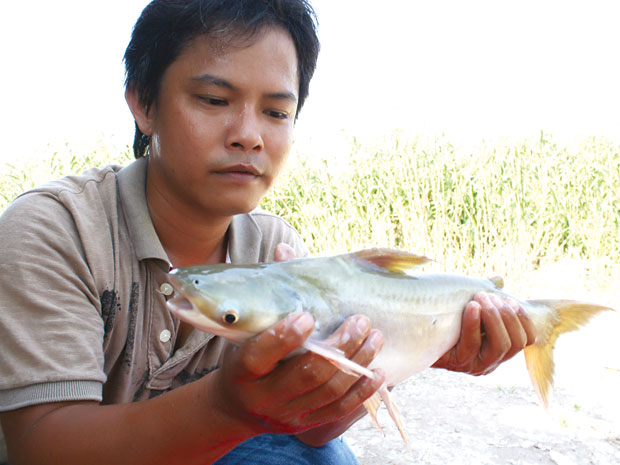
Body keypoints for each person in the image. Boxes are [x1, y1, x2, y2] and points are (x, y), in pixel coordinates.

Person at [0, 1, 536, 464]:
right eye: (214, 100)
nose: (249, 136)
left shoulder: (271, 246)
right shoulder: (55, 229)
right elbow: (42, 449)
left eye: (277, 111)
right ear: (143, 102)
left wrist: (407, 353)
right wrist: (226, 407)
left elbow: (309, 430)